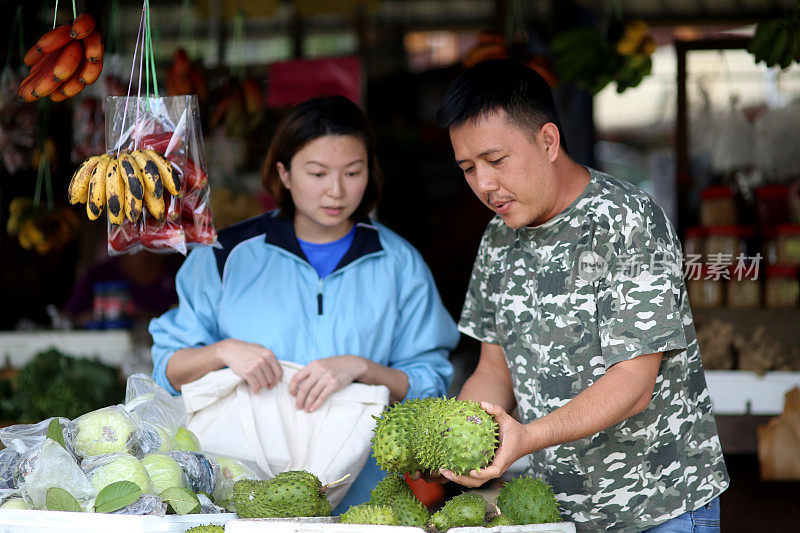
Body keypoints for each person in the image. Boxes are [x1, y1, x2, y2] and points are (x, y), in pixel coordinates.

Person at [433, 59, 729, 532]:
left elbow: (633, 382)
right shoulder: (497, 239)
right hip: (554, 514)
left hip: (658, 508)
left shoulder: (628, 220)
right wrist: (460, 439)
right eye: (468, 168)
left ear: (548, 141)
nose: (484, 185)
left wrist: (526, 437)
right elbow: (494, 369)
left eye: (495, 160)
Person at [149, 95, 459, 511]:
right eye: (317, 173)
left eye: (353, 172)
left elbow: (431, 384)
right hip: (235, 498)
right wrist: (222, 352)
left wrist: (363, 369)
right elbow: (167, 370)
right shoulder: (226, 255)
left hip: (364, 502)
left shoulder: (398, 262)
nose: (336, 191)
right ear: (285, 173)